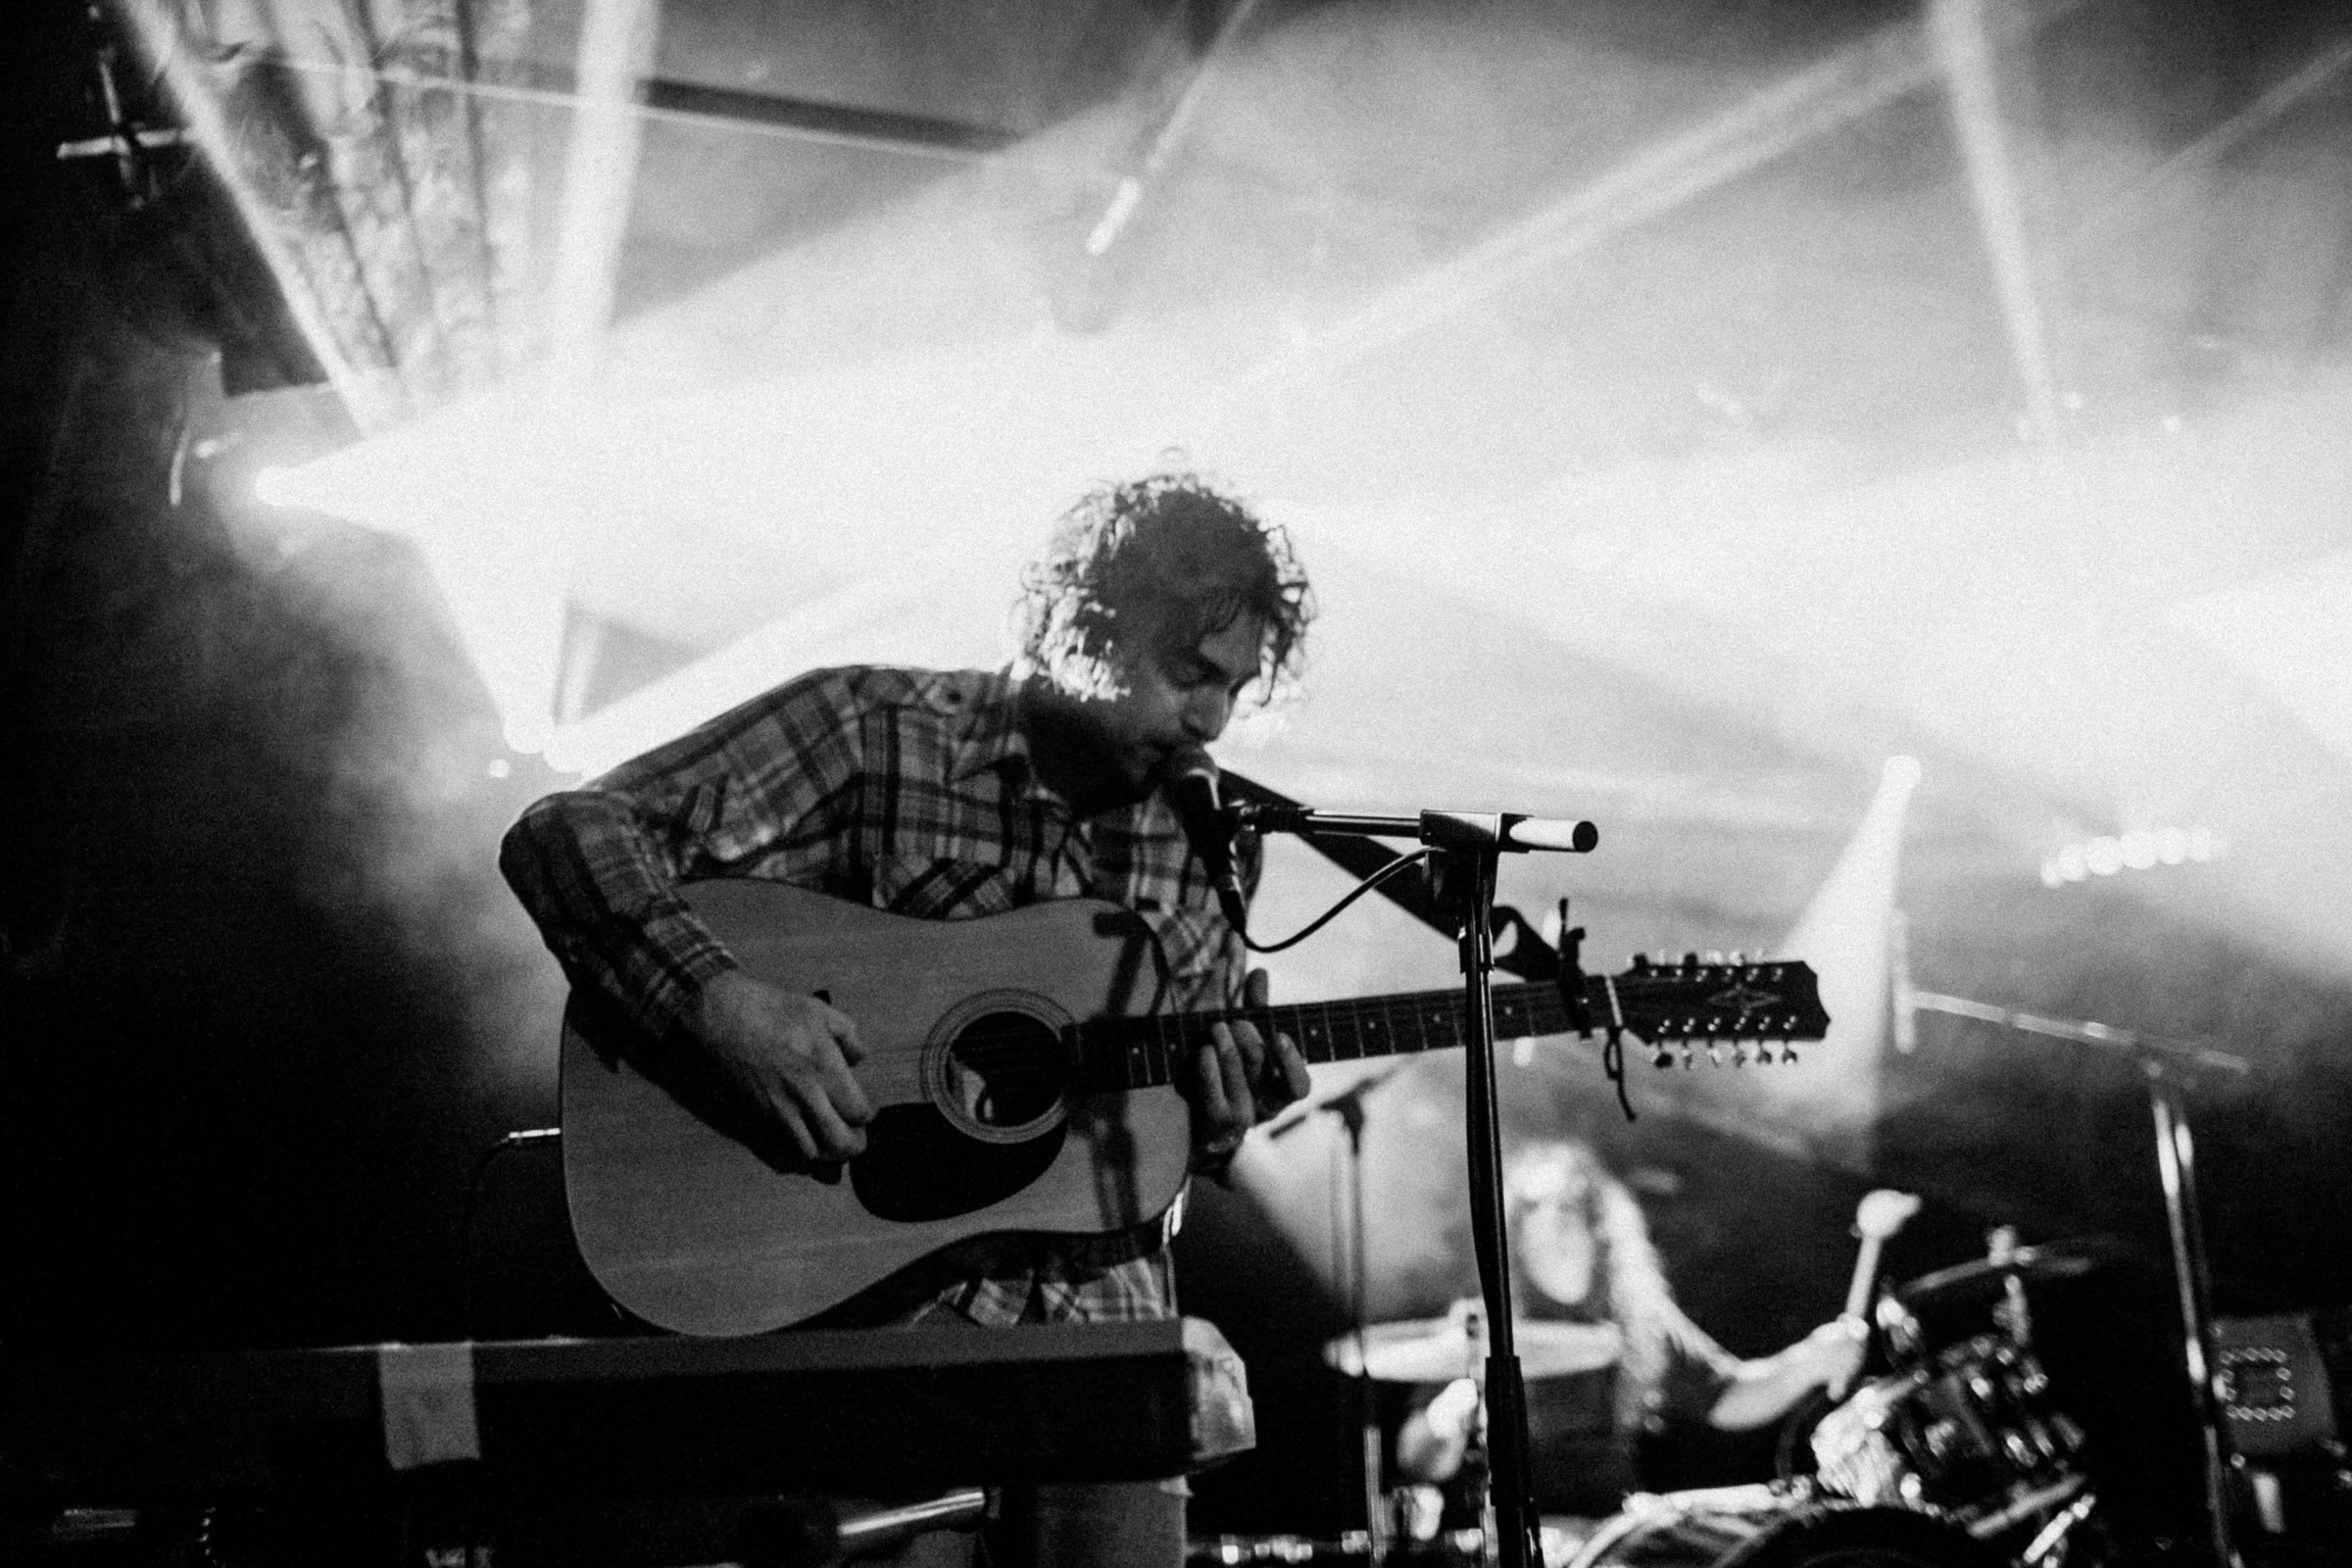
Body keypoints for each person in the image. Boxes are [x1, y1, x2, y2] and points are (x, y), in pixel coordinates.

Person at [499, 469, 1316, 1567]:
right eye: (1190, 674)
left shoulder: (1211, 835)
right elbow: (570, 832)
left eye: (1235, 689)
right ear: (1090, 624)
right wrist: (716, 1005)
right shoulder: (872, 730)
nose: (1211, 722)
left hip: (1107, 1370)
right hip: (881, 1355)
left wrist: (1214, 1122)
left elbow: (1148, 1133)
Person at [1396, 1139, 1867, 1525]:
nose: (1554, 1224)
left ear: (1601, 1229)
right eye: (1535, 1211)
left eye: (1570, 1208)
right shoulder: (1480, 1329)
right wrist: (1443, 1420)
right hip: (1515, 1536)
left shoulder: (1640, 1317)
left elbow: (1725, 1395)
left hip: (1613, 1535)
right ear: (1515, 1234)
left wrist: (1808, 1361)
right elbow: (1417, 1459)